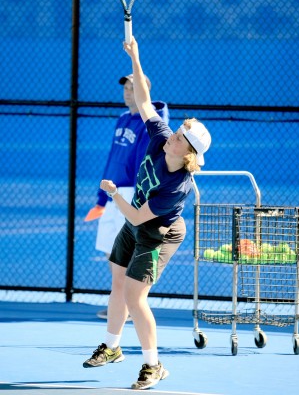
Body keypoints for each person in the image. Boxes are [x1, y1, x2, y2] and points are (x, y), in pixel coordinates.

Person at [82, 36, 211, 391]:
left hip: (159, 232)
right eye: (179, 131)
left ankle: (154, 366)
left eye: (182, 137)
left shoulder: (177, 185)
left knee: (135, 297)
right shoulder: (160, 136)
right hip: (136, 220)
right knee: (118, 283)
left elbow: (140, 218)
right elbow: (143, 100)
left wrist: (111, 194)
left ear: (189, 153)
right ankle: (111, 347)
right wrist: (136, 57)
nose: (175, 135)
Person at [85, 74, 169, 320]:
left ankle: (130, 304)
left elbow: (148, 157)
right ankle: (118, 300)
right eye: (126, 88)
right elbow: (113, 157)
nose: (127, 92)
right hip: (113, 192)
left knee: (128, 250)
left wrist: (139, 195)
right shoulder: (122, 119)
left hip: (133, 192)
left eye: (133, 88)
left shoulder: (152, 119)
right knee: (111, 250)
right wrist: (101, 199)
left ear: (144, 91)